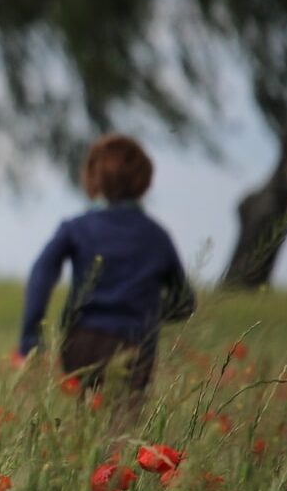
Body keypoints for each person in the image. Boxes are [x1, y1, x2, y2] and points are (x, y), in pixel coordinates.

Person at [16, 133, 196, 395]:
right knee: (124, 426)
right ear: (144, 181)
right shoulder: (157, 236)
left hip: (81, 342)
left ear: (92, 178)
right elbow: (184, 302)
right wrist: (147, 313)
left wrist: (30, 341)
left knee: (87, 418)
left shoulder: (75, 229)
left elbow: (40, 277)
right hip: (135, 343)